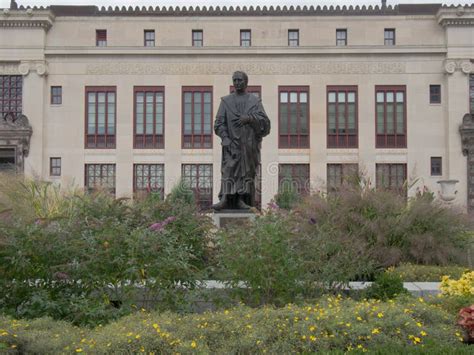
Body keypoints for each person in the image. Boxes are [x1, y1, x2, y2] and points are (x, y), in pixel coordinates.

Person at [212, 71, 271, 210]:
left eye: (240, 80)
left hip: (248, 146)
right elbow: (219, 123)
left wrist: (250, 118)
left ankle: (241, 200)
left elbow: (266, 123)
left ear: (246, 82)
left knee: (247, 173)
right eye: (234, 80)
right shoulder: (226, 101)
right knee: (228, 170)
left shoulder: (254, 101)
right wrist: (225, 138)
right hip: (231, 145)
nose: (237, 83)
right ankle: (226, 199)